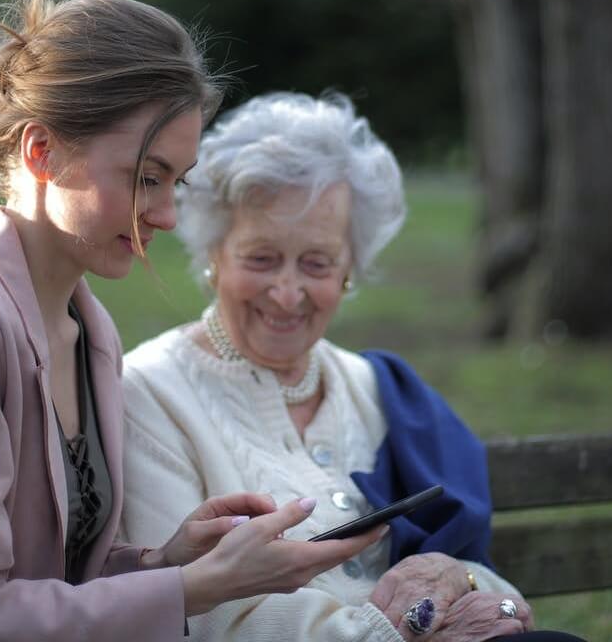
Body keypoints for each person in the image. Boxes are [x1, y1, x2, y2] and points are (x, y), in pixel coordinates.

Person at [0, 0, 382, 642]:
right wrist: (191, 589)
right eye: (144, 178)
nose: (165, 214)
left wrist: (164, 561)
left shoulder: (88, 329)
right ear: (42, 151)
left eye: (176, 182)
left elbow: (51, 580)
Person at [119, 93, 586, 642]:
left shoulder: (378, 390)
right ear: (214, 255)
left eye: (317, 263)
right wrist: (394, 632)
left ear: (348, 271)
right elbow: (202, 615)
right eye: (261, 258)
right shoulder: (148, 393)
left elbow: (474, 573)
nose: (288, 292)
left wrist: (462, 580)